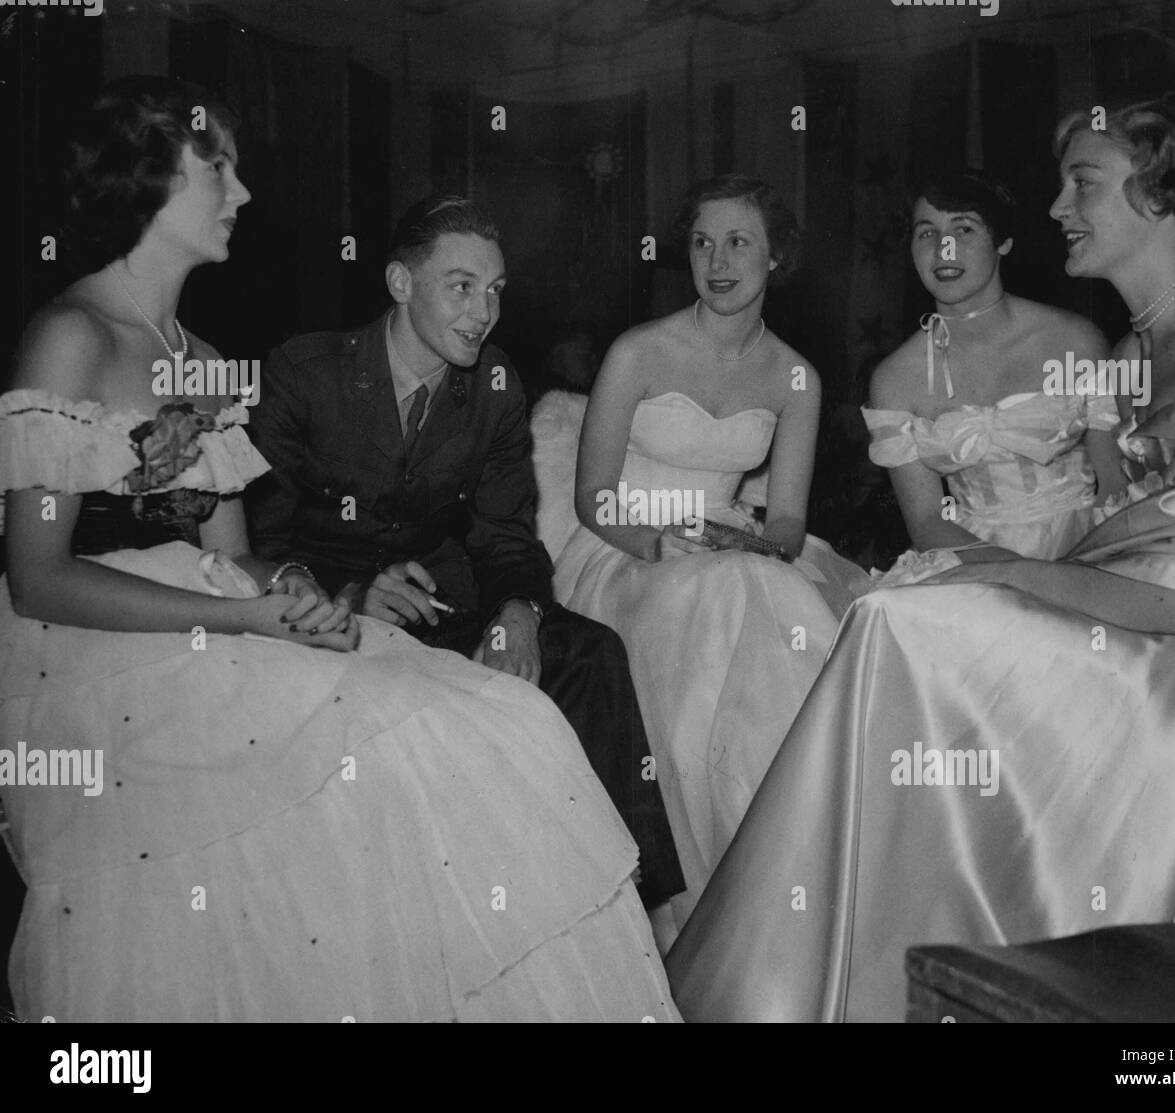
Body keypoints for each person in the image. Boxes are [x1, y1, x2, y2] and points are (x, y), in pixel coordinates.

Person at [0, 76, 678, 1022]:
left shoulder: (198, 353)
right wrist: (250, 611)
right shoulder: (71, 335)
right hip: (97, 661)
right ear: (150, 179)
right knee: (409, 736)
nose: (240, 193)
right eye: (219, 168)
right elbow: (36, 580)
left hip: (222, 620)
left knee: (491, 720)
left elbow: (237, 549)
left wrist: (297, 592)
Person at [665, 92, 1175, 1021]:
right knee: (898, 623)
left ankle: (835, 975)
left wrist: (1004, 570)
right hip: (1161, 632)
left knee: (908, 625)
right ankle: (849, 971)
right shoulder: (1133, 345)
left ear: (1163, 194)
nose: (1055, 210)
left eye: (1082, 183)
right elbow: (1124, 537)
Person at [244, 196, 684, 914]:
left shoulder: (496, 384)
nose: (484, 311)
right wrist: (351, 588)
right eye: (461, 287)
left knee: (592, 652)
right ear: (400, 283)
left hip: (444, 606)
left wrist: (518, 611)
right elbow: (259, 541)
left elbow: (505, 534)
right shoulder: (306, 369)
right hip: (324, 622)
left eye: (496, 290)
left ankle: (627, 911)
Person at [551, 174, 873, 928]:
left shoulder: (797, 374)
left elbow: (788, 520)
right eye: (702, 242)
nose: (718, 260)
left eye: (739, 242)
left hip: (732, 545)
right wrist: (658, 541)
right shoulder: (639, 351)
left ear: (776, 258)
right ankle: (713, 907)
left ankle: (797, 871)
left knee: (790, 602)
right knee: (723, 601)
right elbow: (592, 497)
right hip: (626, 542)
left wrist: (751, 542)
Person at [864, 169, 1128, 564]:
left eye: (964, 230)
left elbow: (1115, 486)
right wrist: (1020, 577)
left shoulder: (1076, 341)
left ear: (1002, 241)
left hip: (1088, 550)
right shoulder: (895, 380)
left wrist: (1072, 579)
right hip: (973, 561)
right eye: (926, 233)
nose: (944, 250)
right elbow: (926, 522)